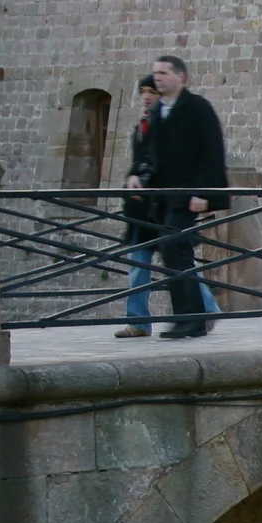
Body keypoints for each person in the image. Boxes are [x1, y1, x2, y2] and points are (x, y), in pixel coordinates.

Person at [144, 55, 227, 339]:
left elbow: (212, 152)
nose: (157, 77)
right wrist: (140, 176)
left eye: (163, 73)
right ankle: (189, 317)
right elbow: (151, 153)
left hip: (188, 192)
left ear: (181, 77)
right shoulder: (158, 111)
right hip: (165, 195)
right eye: (155, 73)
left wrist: (204, 193)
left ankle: (191, 318)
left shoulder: (197, 108)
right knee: (173, 252)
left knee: (175, 247)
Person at [113, 76, 164, 339]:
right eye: (143, 91)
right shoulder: (141, 126)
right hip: (140, 207)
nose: (146, 96)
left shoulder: (166, 125)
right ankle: (138, 321)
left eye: (151, 91)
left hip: (161, 205)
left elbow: (160, 163)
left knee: (179, 265)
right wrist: (134, 180)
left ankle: (208, 310)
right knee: (138, 263)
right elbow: (139, 162)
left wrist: (142, 179)